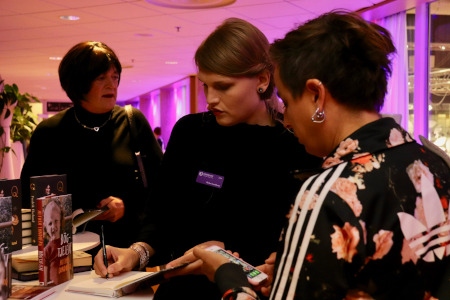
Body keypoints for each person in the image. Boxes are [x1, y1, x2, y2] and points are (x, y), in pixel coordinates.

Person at [166, 10, 450, 300]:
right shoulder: (432, 164)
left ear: (316, 94)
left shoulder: (328, 192)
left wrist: (226, 274)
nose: (286, 119)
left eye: (288, 102)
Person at [93, 18, 322, 300]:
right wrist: (136, 252)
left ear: (262, 80)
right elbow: (161, 216)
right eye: (205, 86)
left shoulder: (294, 149)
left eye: (223, 87)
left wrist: (220, 257)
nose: (211, 99)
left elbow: (286, 248)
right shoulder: (190, 132)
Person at [20, 41, 163, 254]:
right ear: (78, 83)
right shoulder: (50, 132)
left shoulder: (132, 122)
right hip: (66, 253)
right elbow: (28, 197)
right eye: (101, 78)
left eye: (115, 77)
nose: (111, 85)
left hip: (125, 249)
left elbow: (162, 186)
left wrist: (126, 206)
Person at [42, 199, 68, 285]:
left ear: (60, 221)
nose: (53, 226)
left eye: (56, 221)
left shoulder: (65, 243)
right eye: (50, 223)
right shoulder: (47, 250)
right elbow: (45, 280)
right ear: (45, 227)